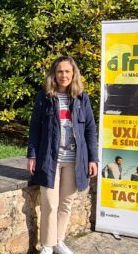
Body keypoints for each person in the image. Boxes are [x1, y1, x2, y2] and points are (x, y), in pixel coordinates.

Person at [27, 56, 98, 254]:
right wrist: (31, 155)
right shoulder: (45, 97)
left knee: (65, 203)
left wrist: (93, 159)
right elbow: (35, 129)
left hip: (75, 161)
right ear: (54, 74)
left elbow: (90, 130)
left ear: (73, 74)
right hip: (50, 159)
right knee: (50, 203)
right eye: (60, 71)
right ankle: (48, 245)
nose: (64, 75)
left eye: (67, 71)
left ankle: (59, 241)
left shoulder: (82, 98)